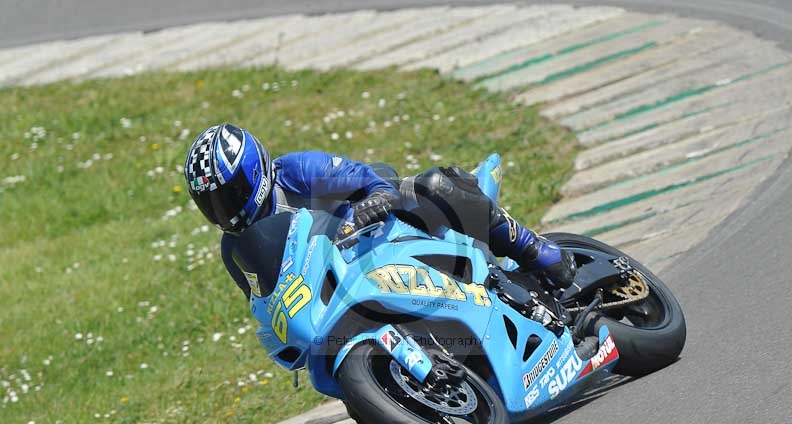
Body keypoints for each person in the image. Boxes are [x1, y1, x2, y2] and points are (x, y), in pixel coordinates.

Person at [183, 123, 575, 298]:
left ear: (253, 173)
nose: (224, 209)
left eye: (229, 193)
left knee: (434, 186)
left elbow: (369, 179)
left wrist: (372, 203)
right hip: (344, 286)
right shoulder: (235, 249)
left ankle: (535, 249)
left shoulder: (297, 172)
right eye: (210, 202)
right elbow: (264, 300)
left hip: (383, 229)